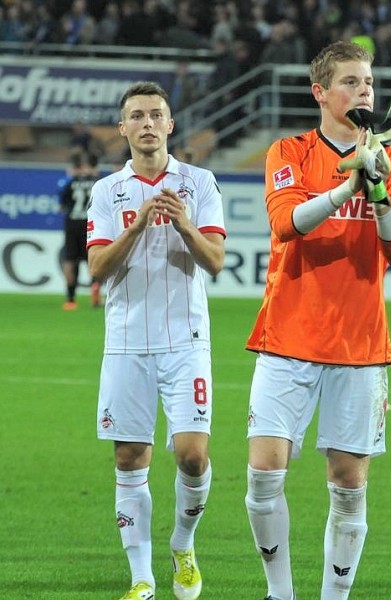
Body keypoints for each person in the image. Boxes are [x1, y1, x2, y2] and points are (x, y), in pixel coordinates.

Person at [244, 40, 391, 600]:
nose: (363, 90)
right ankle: (280, 593)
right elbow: (286, 224)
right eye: (350, 81)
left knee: (348, 485)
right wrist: (349, 183)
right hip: (288, 336)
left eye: (367, 82)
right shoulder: (290, 151)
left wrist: (379, 192)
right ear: (320, 92)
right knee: (263, 476)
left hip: (360, 344)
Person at [87, 80, 226, 600]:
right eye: (137, 116)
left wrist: (183, 225)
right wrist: (140, 224)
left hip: (185, 339)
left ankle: (183, 545)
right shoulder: (106, 192)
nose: (147, 123)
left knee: (192, 456)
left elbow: (214, 261)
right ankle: (142, 578)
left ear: (171, 125)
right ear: (123, 129)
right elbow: (97, 269)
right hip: (125, 343)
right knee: (129, 459)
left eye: (156, 115)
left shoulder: (200, 182)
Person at [59, 150, 101, 310]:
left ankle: (70, 299)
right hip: (91, 223)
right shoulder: (98, 182)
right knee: (92, 257)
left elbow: (61, 204)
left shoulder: (70, 182)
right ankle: (95, 289)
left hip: (72, 223)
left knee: (70, 259)